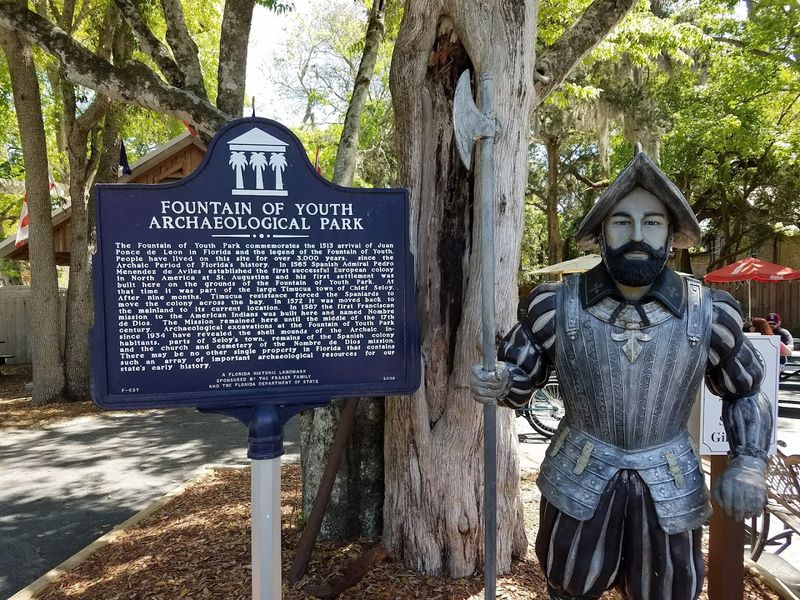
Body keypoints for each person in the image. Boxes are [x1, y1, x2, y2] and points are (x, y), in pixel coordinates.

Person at [470, 151, 773, 600]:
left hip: (670, 477)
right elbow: (520, 379)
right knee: (569, 584)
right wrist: (500, 382)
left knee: (670, 590)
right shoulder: (553, 306)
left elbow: (746, 390)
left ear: (672, 236)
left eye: (651, 222)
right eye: (621, 222)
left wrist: (749, 461)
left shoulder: (710, 312)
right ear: (601, 233)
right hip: (579, 472)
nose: (637, 235)